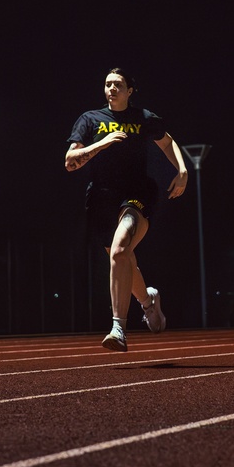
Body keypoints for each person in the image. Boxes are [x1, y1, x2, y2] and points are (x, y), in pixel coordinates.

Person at [65, 68, 188, 352]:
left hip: (137, 194)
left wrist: (182, 171)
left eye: (118, 85)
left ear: (130, 90)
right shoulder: (90, 120)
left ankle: (118, 328)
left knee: (120, 250)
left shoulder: (143, 118)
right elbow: (69, 161)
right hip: (101, 199)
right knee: (123, 259)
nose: (111, 89)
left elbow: (167, 141)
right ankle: (148, 301)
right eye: (107, 84)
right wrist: (102, 143)